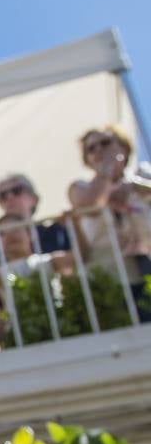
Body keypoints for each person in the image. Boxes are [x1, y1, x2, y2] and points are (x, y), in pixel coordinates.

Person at [66, 125, 151, 317]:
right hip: (109, 280)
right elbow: (90, 204)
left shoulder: (143, 174)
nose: (99, 150)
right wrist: (106, 173)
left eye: (105, 143)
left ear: (123, 147)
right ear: (86, 159)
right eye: (91, 148)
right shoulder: (80, 187)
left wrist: (132, 187)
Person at [0, 173, 69, 282]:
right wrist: (10, 282)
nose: (9, 197)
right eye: (2, 196)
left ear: (34, 198)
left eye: (16, 191)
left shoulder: (57, 231)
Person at [0, 212, 75, 312]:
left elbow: (77, 258)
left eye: (15, 229)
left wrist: (73, 226)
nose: (10, 236)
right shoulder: (2, 273)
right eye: (2, 233)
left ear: (30, 234)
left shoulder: (44, 261)